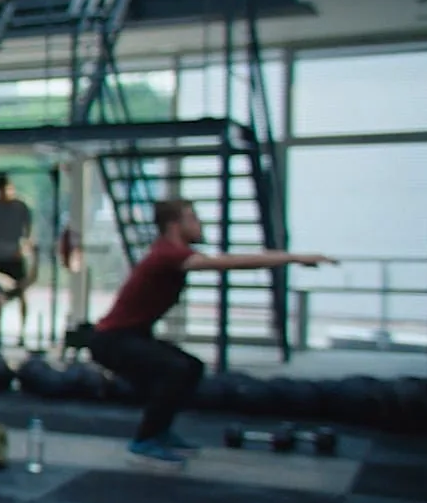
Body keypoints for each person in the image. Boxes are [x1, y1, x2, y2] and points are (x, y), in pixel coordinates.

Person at [86, 199, 335, 466]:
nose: (199, 224)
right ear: (174, 225)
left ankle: (159, 432)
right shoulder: (169, 254)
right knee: (175, 369)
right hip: (112, 340)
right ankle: (144, 442)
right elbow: (229, 263)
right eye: (192, 218)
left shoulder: (171, 252)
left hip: (131, 336)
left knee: (191, 367)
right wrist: (293, 258)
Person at [0, 172, 33, 288]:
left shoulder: (21, 206)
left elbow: (29, 230)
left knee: (19, 287)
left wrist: (25, 247)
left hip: (15, 254)